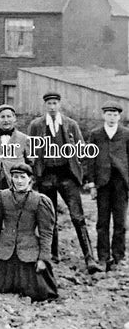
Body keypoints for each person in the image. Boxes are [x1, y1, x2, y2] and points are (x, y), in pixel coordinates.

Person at [27, 91, 102, 273]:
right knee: (48, 217)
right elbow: (30, 151)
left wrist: (79, 171)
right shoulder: (36, 125)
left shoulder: (71, 125)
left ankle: (89, 257)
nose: (52, 107)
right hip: (46, 176)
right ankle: (52, 254)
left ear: (59, 105)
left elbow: (82, 150)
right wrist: (34, 173)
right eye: (49, 104)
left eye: (55, 103)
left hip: (66, 176)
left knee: (77, 216)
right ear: (45, 106)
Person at [0, 163, 58, 302]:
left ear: (30, 179)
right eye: (15, 177)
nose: (19, 181)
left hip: (28, 252)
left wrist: (43, 258)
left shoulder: (40, 201)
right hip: (6, 252)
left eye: (23, 177)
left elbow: (46, 233)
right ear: (11, 178)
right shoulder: (1, 197)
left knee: (40, 292)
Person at [84, 101, 129, 271]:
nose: (112, 117)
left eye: (115, 114)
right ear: (103, 115)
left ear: (119, 116)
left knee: (120, 222)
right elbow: (90, 159)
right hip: (103, 183)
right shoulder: (96, 134)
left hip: (121, 183)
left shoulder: (126, 134)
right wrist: (91, 183)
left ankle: (118, 257)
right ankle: (103, 257)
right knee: (102, 222)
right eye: (109, 114)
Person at [0, 104, 31, 198]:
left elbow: (30, 161)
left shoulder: (23, 138)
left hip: (15, 181)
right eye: (2, 117)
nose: (6, 120)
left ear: (14, 118)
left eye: (9, 116)